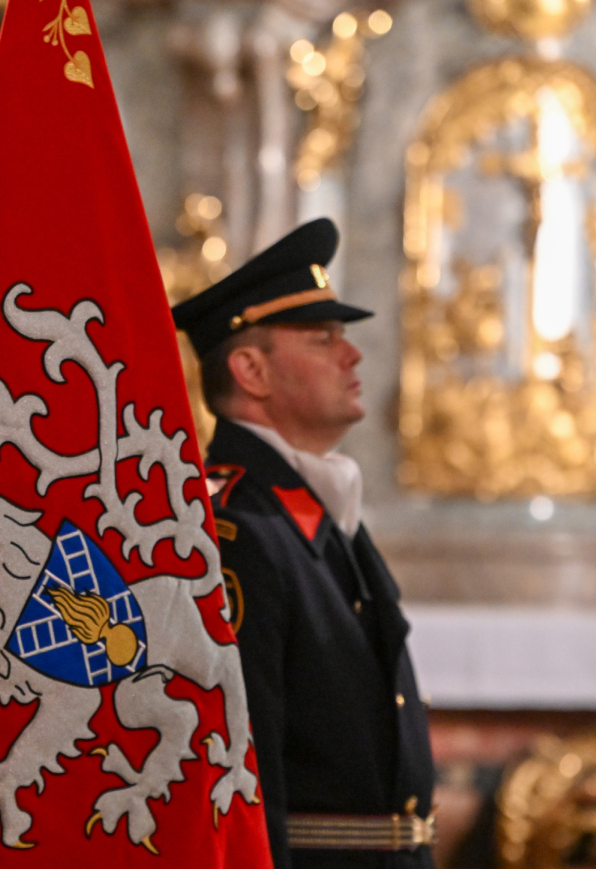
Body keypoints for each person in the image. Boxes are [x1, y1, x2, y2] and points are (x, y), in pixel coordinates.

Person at [172, 218, 435, 869]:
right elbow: (245, 765)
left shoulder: (312, 512)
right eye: (323, 339)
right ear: (251, 369)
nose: (353, 355)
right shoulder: (235, 531)